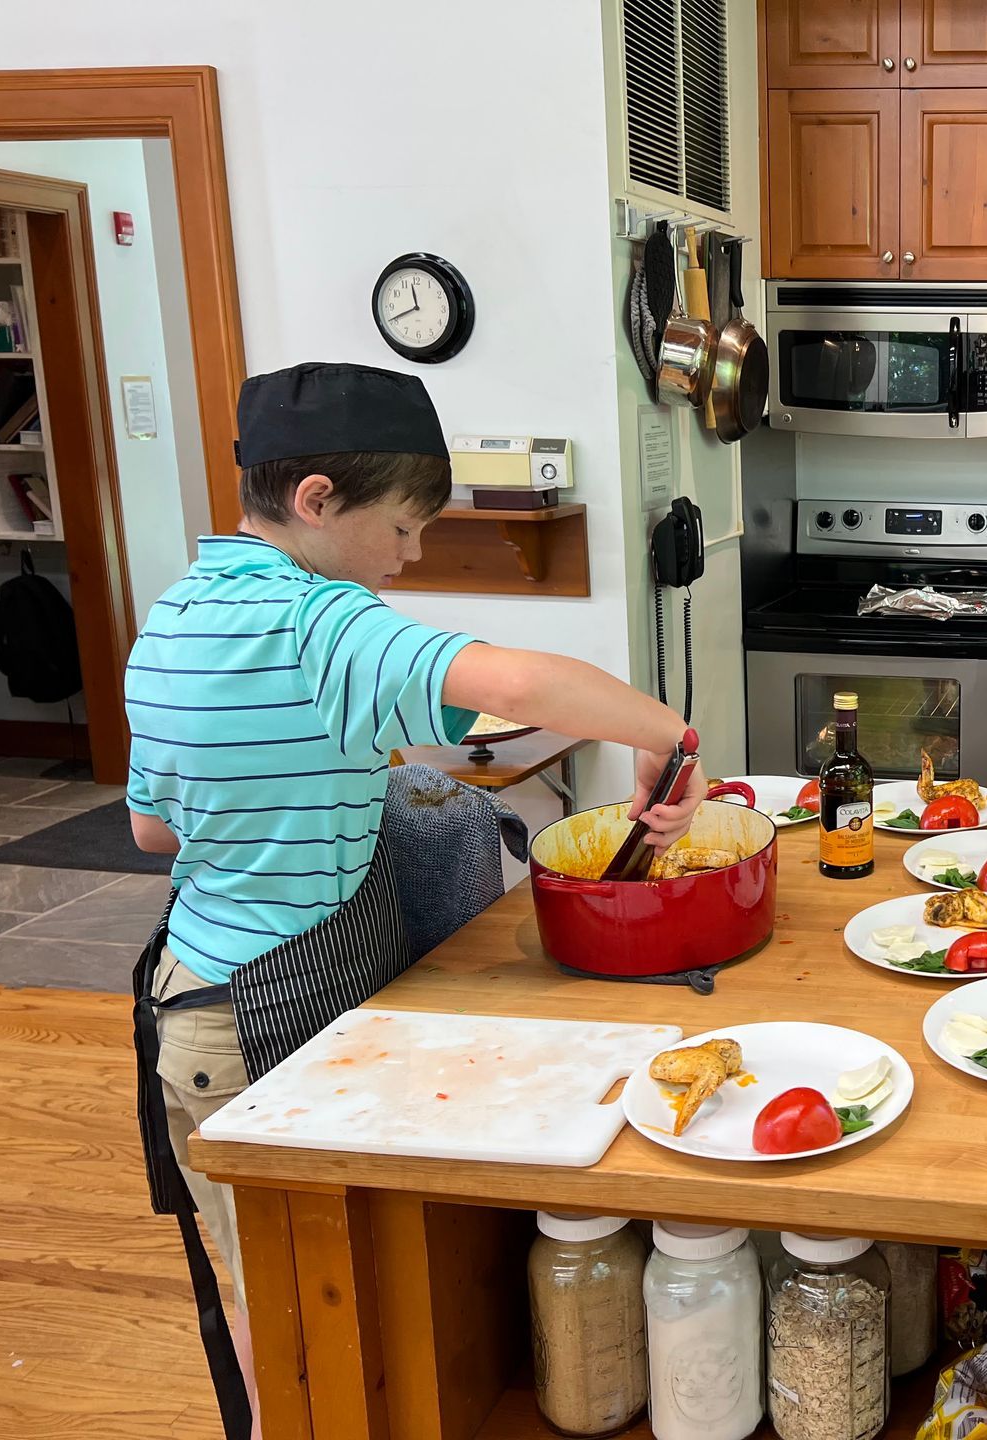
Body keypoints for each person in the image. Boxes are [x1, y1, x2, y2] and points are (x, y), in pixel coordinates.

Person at [125, 362, 707, 1438]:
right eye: (400, 530)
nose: (410, 556)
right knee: (323, 1321)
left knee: (267, 1294)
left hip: (189, 1005)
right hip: (271, 1013)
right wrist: (671, 735)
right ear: (315, 504)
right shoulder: (321, 622)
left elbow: (154, 832)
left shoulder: (173, 613)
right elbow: (520, 686)